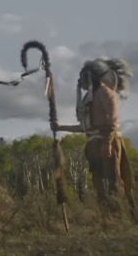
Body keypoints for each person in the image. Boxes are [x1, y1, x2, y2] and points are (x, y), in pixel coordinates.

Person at [53, 58, 134, 213]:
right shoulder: (90, 97)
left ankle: (120, 218)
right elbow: (86, 128)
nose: (81, 79)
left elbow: (113, 121)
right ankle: (107, 218)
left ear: (94, 76)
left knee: (112, 182)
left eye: (85, 75)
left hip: (107, 143)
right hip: (94, 145)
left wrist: (107, 143)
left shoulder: (105, 92)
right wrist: (60, 127)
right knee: (99, 184)